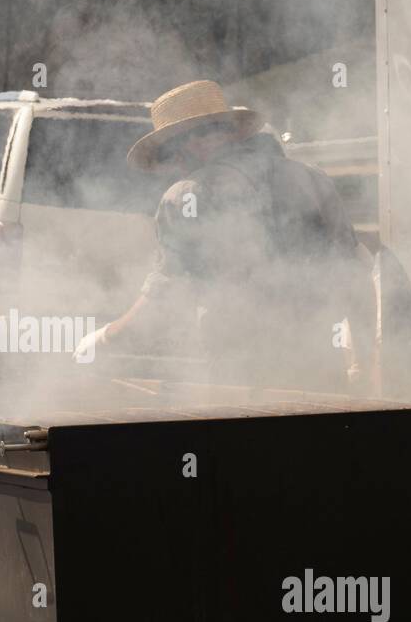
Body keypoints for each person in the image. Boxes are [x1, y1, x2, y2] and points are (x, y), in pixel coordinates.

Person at [76, 80, 374, 392]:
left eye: (169, 152)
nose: (171, 164)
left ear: (191, 143)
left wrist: (105, 337)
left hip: (241, 375)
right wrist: (362, 364)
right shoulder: (311, 178)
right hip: (320, 368)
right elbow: (353, 274)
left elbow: (166, 297)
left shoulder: (185, 197)